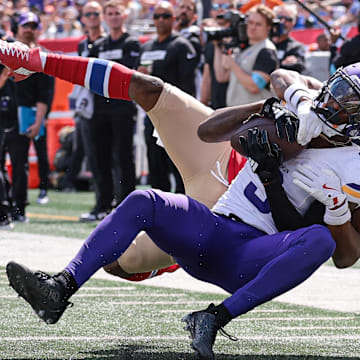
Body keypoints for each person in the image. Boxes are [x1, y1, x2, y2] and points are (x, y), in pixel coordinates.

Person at [1, 41, 360, 359]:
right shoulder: (307, 102)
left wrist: (337, 210)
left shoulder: (352, 167)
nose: (333, 101)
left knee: (318, 239)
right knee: (141, 203)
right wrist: (291, 100)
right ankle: (59, 288)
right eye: (337, 90)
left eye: (347, 102)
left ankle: (212, 316)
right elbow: (274, 84)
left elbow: (344, 254)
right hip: (216, 205)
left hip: (249, 246)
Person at [80, 0, 140, 221]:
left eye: (117, 13)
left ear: (124, 16)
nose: (114, 17)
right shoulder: (99, 46)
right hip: (99, 109)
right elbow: (90, 75)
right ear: (105, 18)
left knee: (123, 157)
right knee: (99, 157)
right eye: (110, 13)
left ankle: (127, 206)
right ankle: (103, 204)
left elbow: (126, 75)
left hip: (122, 108)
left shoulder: (131, 43)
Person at [139, 1, 198, 193]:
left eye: (165, 16)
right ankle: (159, 212)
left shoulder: (182, 45)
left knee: (179, 169)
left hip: (175, 117)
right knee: (156, 168)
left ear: (174, 19)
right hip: (152, 116)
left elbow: (188, 86)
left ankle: (182, 213)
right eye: (157, 16)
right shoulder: (146, 47)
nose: (161, 20)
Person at [7, 12, 53, 220]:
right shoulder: (5, 50)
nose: (29, 30)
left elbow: (45, 94)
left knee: (22, 162)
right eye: (25, 25)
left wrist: (38, 121)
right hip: (5, 113)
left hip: (29, 116)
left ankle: (19, 207)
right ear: (16, 28)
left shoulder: (42, 56)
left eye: (33, 26)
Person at [61, 0, 106, 194]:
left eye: (96, 14)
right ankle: (100, 199)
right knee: (90, 153)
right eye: (88, 15)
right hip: (87, 105)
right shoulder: (82, 44)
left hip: (108, 104)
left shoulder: (108, 40)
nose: (92, 18)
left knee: (112, 154)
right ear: (83, 19)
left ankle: (114, 198)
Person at [213, 4, 278, 107]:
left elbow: (255, 86)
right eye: (250, 23)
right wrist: (217, 46)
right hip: (238, 113)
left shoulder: (267, 51)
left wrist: (233, 64)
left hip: (255, 116)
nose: (252, 27)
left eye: (258, 24)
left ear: (268, 28)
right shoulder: (244, 48)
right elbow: (222, 77)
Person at [272, 3, 306, 74]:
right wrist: (282, 63)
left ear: (294, 22)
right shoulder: (263, 42)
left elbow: (299, 67)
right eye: (280, 18)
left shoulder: (296, 47)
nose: (283, 22)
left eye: (288, 19)